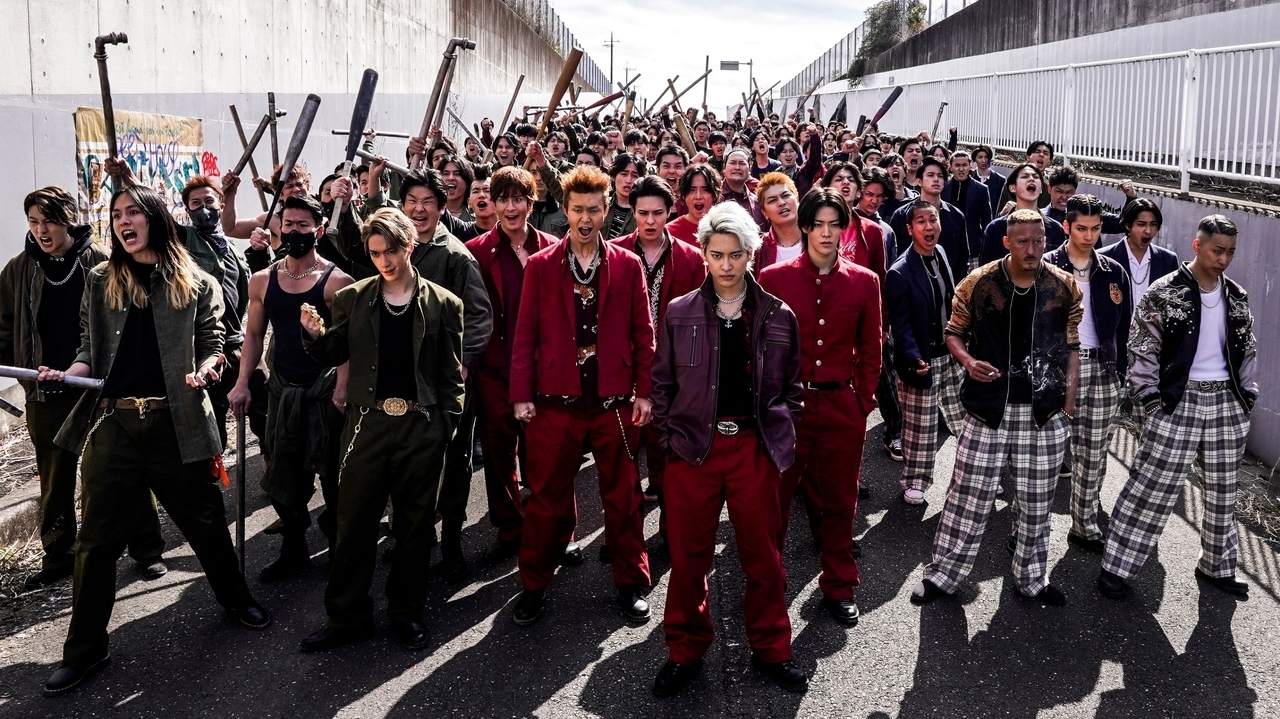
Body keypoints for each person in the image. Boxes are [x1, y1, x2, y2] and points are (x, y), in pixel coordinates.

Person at [39, 186, 269, 696]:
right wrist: (67, 373)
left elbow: (214, 343)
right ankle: (84, 651)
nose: (123, 222)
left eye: (133, 213)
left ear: (156, 219)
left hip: (176, 422)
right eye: (117, 214)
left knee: (205, 521)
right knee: (96, 542)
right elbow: (88, 350)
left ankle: (236, 599)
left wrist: (208, 369)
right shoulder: (101, 280)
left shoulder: (197, 280)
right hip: (115, 425)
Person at [650, 201, 807, 697]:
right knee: (688, 558)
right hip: (692, 450)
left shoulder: (778, 315)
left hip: (753, 450)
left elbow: (792, 389)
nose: (725, 264)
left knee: (763, 557)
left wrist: (779, 435)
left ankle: (773, 648)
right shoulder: (679, 312)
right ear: (703, 254)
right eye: (716, 254)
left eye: (735, 254)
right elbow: (661, 384)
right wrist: (669, 439)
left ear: (751, 255)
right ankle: (684, 650)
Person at [297, 207, 465, 653]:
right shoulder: (352, 298)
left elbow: (452, 377)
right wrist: (314, 335)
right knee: (353, 523)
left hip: (420, 426)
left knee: (414, 526)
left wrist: (443, 429)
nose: (384, 261)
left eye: (391, 251)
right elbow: (334, 352)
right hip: (366, 425)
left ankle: (405, 611)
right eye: (374, 253)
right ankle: (347, 617)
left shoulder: (445, 304)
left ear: (410, 246)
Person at [508, 165, 654, 626]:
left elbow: (643, 334)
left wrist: (644, 393)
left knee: (624, 497)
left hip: (613, 404)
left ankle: (630, 582)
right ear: (565, 211)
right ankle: (534, 584)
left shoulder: (628, 264)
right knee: (545, 499)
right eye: (577, 210)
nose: (585, 219)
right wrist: (520, 393)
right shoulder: (540, 265)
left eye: (593, 209)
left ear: (607, 210)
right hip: (556, 404)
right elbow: (524, 335)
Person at [912, 209, 1080, 607]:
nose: (1032, 249)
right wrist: (969, 362)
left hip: (1043, 411)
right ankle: (943, 574)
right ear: (1007, 242)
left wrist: (1069, 402)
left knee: (1037, 503)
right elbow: (953, 333)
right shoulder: (978, 282)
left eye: (1038, 241)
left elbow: (1072, 345)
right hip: (987, 409)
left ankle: (1032, 578)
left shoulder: (1064, 285)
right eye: (1023, 242)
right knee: (967, 497)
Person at [2, 187, 165, 591]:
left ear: (69, 221)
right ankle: (59, 554)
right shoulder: (18, 269)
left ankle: (147, 549)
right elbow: (4, 325)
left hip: (99, 389)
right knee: (54, 478)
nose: (42, 230)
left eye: (50, 221)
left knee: (125, 471)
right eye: (34, 222)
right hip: (44, 391)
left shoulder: (101, 263)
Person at [1099, 215, 1258, 600]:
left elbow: (1248, 347)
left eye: (1230, 252)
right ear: (1197, 246)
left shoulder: (1236, 295)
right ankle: (1116, 566)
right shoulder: (1165, 291)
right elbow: (1141, 349)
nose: (1224, 259)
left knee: (1224, 491)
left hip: (1226, 401)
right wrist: (1151, 403)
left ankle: (1217, 566)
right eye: (1217, 250)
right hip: (1176, 400)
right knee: (1151, 486)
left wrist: (1246, 398)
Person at [759, 189, 880, 626]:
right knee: (775, 498)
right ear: (805, 227)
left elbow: (871, 350)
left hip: (840, 406)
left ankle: (839, 584)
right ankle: (769, 579)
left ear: (844, 228)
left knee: (840, 501)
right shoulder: (773, 277)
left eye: (835, 225)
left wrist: (862, 402)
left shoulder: (865, 281)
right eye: (818, 224)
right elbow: (760, 346)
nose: (827, 233)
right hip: (788, 408)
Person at [378, 167, 492, 581]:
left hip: (447, 385)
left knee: (455, 464)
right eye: (412, 201)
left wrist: (460, 364)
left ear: (443, 207)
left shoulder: (455, 256)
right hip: (402, 381)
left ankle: (453, 544)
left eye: (428, 202)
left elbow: (479, 317)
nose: (419, 209)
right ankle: (413, 536)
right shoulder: (394, 250)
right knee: (406, 463)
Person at [233, 194, 353, 580]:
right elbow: (253, 335)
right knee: (284, 474)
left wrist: (342, 390)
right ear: (279, 228)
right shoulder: (263, 280)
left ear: (318, 231)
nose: (295, 231)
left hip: (325, 392)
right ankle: (294, 546)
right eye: (288, 225)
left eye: (303, 225)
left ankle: (339, 545)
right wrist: (242, 383)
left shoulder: (338, 282)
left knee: (334, 475)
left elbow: (349, 342)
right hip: (282, 391)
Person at [465, 167, 558, 562]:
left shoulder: (553, 247)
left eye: (518, 198)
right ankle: (509, 526)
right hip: (494, 368)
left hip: (542, 370)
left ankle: (553, 526)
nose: (510, 207)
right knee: (499, 452)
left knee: (546, 453)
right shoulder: (475, 251)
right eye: (502, 198)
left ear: (530, 203)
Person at [613, 176, 707, 539]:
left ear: (670, 212)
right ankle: (626, 536)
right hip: (625, 369)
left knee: (670, 455)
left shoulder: (691, 258)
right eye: (642, 213)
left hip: (675, 370)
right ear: (633, 212)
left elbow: (701, 319)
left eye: (657, 213)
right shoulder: (614, 253)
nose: (650, 221)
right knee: (623, 458)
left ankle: (672, 530)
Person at [1043, 195, 1132, 554]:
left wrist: (1120, 371)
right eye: (1082, 228)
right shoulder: (1046, 266)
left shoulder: (1113, 271)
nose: (1089, 235)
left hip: (1103, 369)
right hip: (1057, 369)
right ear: (1066, 226)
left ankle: (1084, 524)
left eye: (1096, 228)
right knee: (1044, 453)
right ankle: (1027, 528)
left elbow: (1124, 326)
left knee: (1093, 454)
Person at [884, 201, 965, 505]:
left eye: (933, 220)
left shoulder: (940, 253)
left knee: (965, 418)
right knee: (922, 427)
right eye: (921, 221)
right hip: (922, 360)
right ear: (910, 229)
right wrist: (912, 356)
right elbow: (901, 324)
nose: (929, 227)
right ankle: (915, 481)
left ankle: (974, 475)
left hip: (951, 354)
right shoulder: (900, 272)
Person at [859, 168, 906, 461]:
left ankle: (895, 432)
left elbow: (887, 276)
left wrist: (885, 321)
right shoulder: (841, 222)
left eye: (879, 196)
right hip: (844, 308)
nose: (874, 200)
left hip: (876, 310)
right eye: (869, 194)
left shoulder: (886, 230)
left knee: (885, 376)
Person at [889, 157, 968, 282]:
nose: (936, 179)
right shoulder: (902, 215)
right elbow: (893, 254)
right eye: (930, 175)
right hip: (911, 282)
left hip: (948, 283)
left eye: (940, 176)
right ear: (919, 181)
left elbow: (963, 257)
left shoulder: (956, 216)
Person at [979, 164, 1066, 265]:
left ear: (1041, 189)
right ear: (1012, 188)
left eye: (1036, 177)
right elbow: (984, 270)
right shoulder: (995, 228)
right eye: (1025, 176)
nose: (1031, 179)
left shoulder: (1056, 229)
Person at [1099, 198, 1178, 303]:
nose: (1148, 231)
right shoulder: (1104, 258)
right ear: (1128, 225)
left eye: (1153, 224)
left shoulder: (1168, 260)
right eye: (1141, 224)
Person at [820, 162, 886, 282]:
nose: (846, 182)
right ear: (827, 189)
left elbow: (879, 278)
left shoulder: (872, 230)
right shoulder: (814, 226)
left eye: (851, 180)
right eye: (839, 179)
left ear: (859, 192)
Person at [1042, 166, 1134, 233]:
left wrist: (1131, 197)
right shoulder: (1041, 218)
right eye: (1059, 191)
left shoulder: (1089, 213)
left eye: (1069, 192)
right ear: (1049, 189)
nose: (1064, 197)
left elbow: (1120, 224)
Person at [942, 151, 992, 270]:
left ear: (970, 166)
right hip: (947, 248)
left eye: (964, 165)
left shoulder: (981, 189)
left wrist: (983, 245)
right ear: (950, 167)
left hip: (972, 248)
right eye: (957, 165)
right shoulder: (943, 188)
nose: (961, 169)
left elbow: (987, 221)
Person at [754, 173, 803, 273]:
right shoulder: (757, 250)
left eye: (785, 195)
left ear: (797, 199)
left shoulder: (819, 237)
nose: (781, 202)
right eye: (772, 200)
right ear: (764, 213)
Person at [667, 163, 720, 246]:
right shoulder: (669, 233)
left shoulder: (726, 229)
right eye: (692, 190)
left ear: (714, 194)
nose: (698, 196)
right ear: (683, 195)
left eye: (705, 190)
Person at [996, 141, 1053, 211]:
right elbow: (999, 214)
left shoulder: (1051, 188)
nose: (1041, 155)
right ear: (1028, 157)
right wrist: (1004, 213)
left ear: (1050, 161)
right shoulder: (1012, 183)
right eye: (1037, 151)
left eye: (1045, 153)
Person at [720, 148, 766, 230]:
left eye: (742, 163)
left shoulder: (758, 203)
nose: (737, 167)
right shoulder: (713, 196)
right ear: (724, 167)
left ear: (750, 168)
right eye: (733, 163)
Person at [606, 152, 644, 240]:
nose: (628, 180)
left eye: (634, 176)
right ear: (613, 177)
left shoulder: (642, 212)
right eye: (624, 174)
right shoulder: (602, 205)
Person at [971, 144, 1006, 214]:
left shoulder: (1000, 180)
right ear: (975, 159)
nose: (983, 160)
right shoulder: (970, 177)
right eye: (980, 157)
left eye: (986, 157)